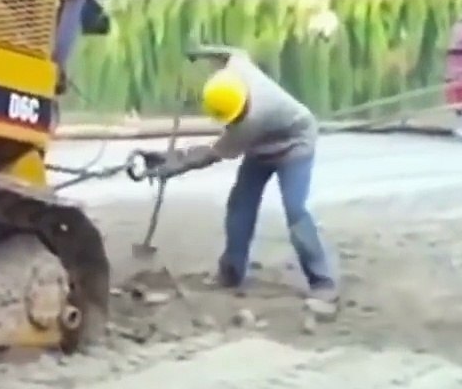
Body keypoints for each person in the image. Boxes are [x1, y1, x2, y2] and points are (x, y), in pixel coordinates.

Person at [133, 47, 339, 319]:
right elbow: (234, 52)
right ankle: (231, 273)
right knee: (240, 205)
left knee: (295, 210)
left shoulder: (250, 122)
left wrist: (171, 165)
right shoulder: (237, 70)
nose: (231, 123)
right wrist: (203, 51)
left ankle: (323, 283)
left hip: (294, 144)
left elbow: (211, 154)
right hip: (260, 146)